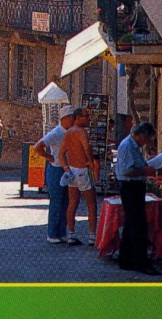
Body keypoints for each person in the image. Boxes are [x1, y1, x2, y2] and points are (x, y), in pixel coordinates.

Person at [114, 120, 159, 274]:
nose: (146, 143)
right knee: (138, 226)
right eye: (147, 139)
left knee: (131, 224)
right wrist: (145, 172)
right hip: (130, 187)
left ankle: (126, 260)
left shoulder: (133, 146)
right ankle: (141, 262)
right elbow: (126, 171)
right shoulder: (127, 146)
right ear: (141, 136)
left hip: (135, 187)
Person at [33, 104, 76, 243]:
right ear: (65, 118)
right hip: (56, 168)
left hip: (66, 168)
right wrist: (49, 157)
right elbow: (38, 146)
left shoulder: (70, 132)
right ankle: (51, 233)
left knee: (65, 201)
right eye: (71, 118)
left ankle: (61, 231)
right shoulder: (56, 133)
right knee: (56, 201)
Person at [59, 107, 100, 245]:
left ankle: (71, 234)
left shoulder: (69, 132)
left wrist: (66, 168)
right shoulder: (81, 131)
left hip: (72, 170)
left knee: (72, 203)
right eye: (86, 116)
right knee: (91, 203)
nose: (88, 118)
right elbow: (86, 146)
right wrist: (90, 161)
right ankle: (92, 236)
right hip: (82, 169)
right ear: (77, 118)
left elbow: (61, 153)